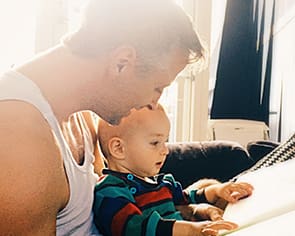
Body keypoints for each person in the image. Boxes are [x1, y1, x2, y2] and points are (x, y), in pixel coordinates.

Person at [0, 0, 205, 234]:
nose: (153, 103)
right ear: (121, 63)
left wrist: (185, 214)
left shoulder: (84, 111)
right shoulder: (18, 139)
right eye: (158, 87)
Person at [95, 105, 253, 236]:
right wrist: (190, 230)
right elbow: (132, 228)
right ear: (118, 148)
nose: (165, 151)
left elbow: (187, 199)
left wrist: (217, 191)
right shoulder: (111, 190)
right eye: (155, 142)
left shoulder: (163, 182)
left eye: (165, 141)